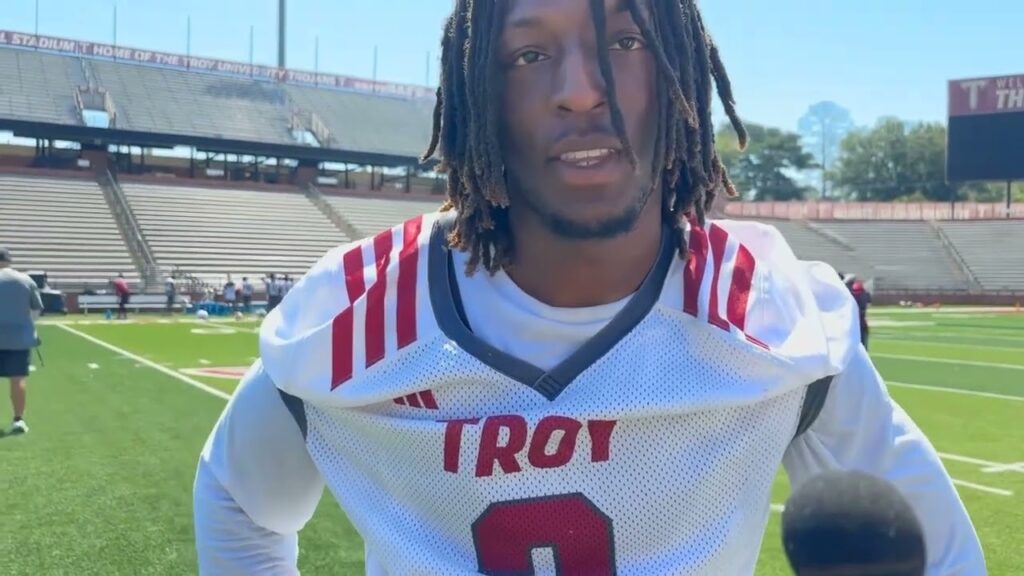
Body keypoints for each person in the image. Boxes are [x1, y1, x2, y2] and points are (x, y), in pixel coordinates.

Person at [194, 1, 984, 573]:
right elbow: (237, 498)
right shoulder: (360, 315)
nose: (581, 89)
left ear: (681, 81)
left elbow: (941, 558)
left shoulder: (777, 320)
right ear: (479, 96)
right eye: (528, 54)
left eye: (626, 40)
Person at [0, 248, 42, 435]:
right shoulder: (25, 280)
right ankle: (18, 420)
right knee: (17, 380)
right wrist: (27, 325)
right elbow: (36, 309)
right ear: (10, 260)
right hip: (19, 338)